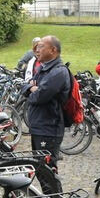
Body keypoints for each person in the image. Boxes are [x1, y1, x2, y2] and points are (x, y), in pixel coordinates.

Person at [23, 34, 69, 165]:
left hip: (48, 129)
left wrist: (32, 89)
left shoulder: (58, 72)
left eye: (41, 47)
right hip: (40, 126)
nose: (37, 50)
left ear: (53, 50)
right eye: (36, 47)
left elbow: (38, 97)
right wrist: (31, 88)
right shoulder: (44, 68)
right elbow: (29, 85)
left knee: (47, 172)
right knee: (40, 169)